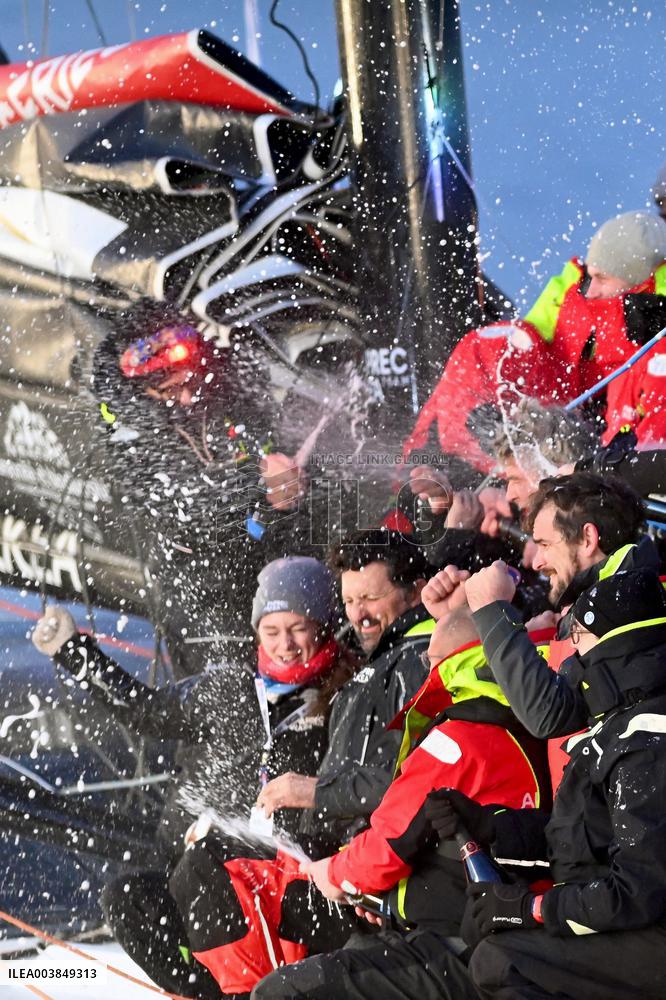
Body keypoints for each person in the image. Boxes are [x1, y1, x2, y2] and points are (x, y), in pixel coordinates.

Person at [31, 556, 353, 1000]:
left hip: (288, 888)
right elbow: (142, 709)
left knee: (211, 868)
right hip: (198, 882)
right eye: (271, 631)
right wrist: (74, 652)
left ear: (323, 625)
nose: (285, 646)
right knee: (128, 897)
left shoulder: (350, 695)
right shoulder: (227, 689)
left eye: (299, 628)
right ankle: (209, 993)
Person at [251, 607, 549, 1000]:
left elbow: (391, 841)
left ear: (454, 664)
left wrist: (337, 874)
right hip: (498, 936)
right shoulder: (527, 729)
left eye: (431, 659)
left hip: (459, 944)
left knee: (283, 992)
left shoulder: (456, 740)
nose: (424, 669)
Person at [428, 569, 666, 1000]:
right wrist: (492, 827)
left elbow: (639, 890)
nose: (570, 654)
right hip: (634, 927)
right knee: (482, 936)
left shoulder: (649, 739)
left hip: (652, 934)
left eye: (578, 636)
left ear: (615, 643)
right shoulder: (618, 726)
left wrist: (533, 909)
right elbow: (584, 839)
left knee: (501, 959)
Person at [403, 210, 666, 473]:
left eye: (603, 278)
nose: (591, 290)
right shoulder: (515, 348)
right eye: (590, 276)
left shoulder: (654, 357)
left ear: (642, 285)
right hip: (468, 491)